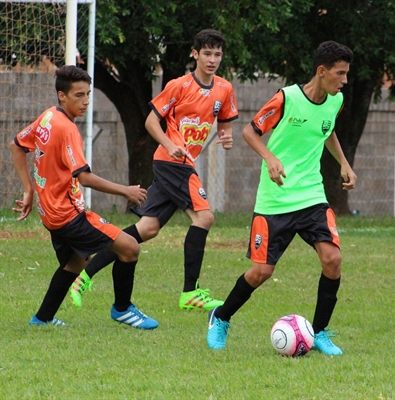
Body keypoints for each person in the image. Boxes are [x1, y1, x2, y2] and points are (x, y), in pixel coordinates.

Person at [69, 29, 238, 311]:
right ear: (195, 54)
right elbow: (150, 122)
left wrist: (226, 136)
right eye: (206, 53)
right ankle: (190, 292)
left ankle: (85, 274)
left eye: (217, 54)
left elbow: (225, 123)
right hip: (173, 163)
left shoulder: (224, 89)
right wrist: (170, 144)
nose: (212, 59)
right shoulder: (179, 86)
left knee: (146, 229)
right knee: (205, 218)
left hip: (182, 163)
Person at [206, 41, 357, 356]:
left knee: (333, 260)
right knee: (261, 272)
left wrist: (343, 162)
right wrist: (270, 158)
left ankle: (320, 332)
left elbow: (326, 130)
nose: (344, 81)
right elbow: (250, 132)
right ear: (321, 71)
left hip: (312, 195)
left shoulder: (335, 100)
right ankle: (220, 317)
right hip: (275, 201)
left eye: (346, 74)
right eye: (340, 74)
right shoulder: (286, 98)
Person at [10, 65, 158, 329]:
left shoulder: (48, 117)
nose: (86, 101)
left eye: (88, 94)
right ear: (61, 96)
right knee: (130, 248)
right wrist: (126, 190)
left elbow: (16, 145)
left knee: (75, 262)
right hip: (68, 214)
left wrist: (29, 189)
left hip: (50, 212)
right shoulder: (67, 129)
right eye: (79, 95)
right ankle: (122, 309)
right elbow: (85, 177)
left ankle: (42, 318)